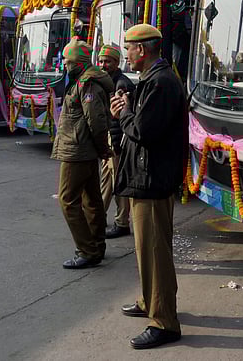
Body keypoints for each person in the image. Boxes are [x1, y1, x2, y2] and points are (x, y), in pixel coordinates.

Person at [111, 24, 187, 350]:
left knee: (155, 253)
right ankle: (150, 302)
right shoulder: (152, 80)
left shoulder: (162, 82)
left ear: (142, 50)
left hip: (153, 180)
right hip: (147, 178)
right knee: (146, 250)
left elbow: (143, 130)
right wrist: (130, 106)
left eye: (128, 48)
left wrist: (124, 113)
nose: (125, 54)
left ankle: (165, 322)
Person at [51, 37, 114, 270]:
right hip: (83, 150)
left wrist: (102, 149)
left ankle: (87, 250)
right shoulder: (83, 80)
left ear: (79, 63)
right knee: (92, 199)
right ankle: (96, 245)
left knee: (68, 201)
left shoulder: (87, 84)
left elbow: (96, 121)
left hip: (77, 151)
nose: (65, 65)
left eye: (68, 61)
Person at [98, 44, 135, 239]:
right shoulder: (108, 82)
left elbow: (122, 117)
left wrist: (117, 141)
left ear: (116, 62)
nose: (104, 64)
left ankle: (121, 222)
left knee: (117, 181)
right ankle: (99, 217)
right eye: (102, 61)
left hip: (117, 140)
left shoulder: (121, 84)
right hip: (109, 139)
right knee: (106, 179)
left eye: (108, 61)